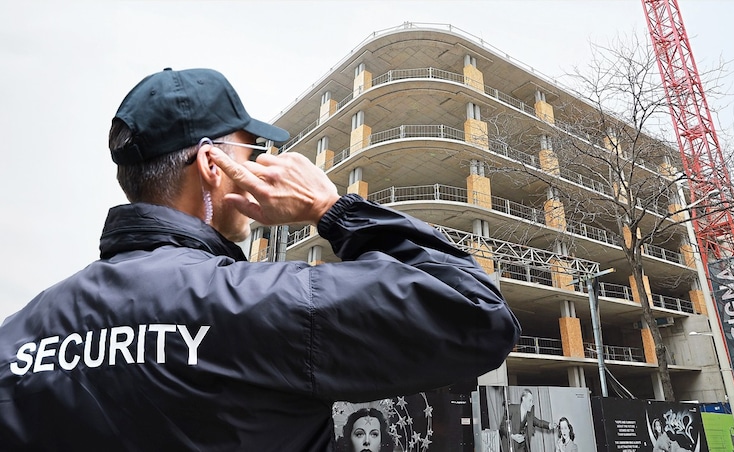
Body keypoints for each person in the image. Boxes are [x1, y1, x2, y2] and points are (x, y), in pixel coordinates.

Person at [0, 68, 520, 451]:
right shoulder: (268, 302)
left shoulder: (18, 338)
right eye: (253, 155)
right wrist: (331, 208)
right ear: (212, 164)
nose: (266, 166)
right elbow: (475, 312)